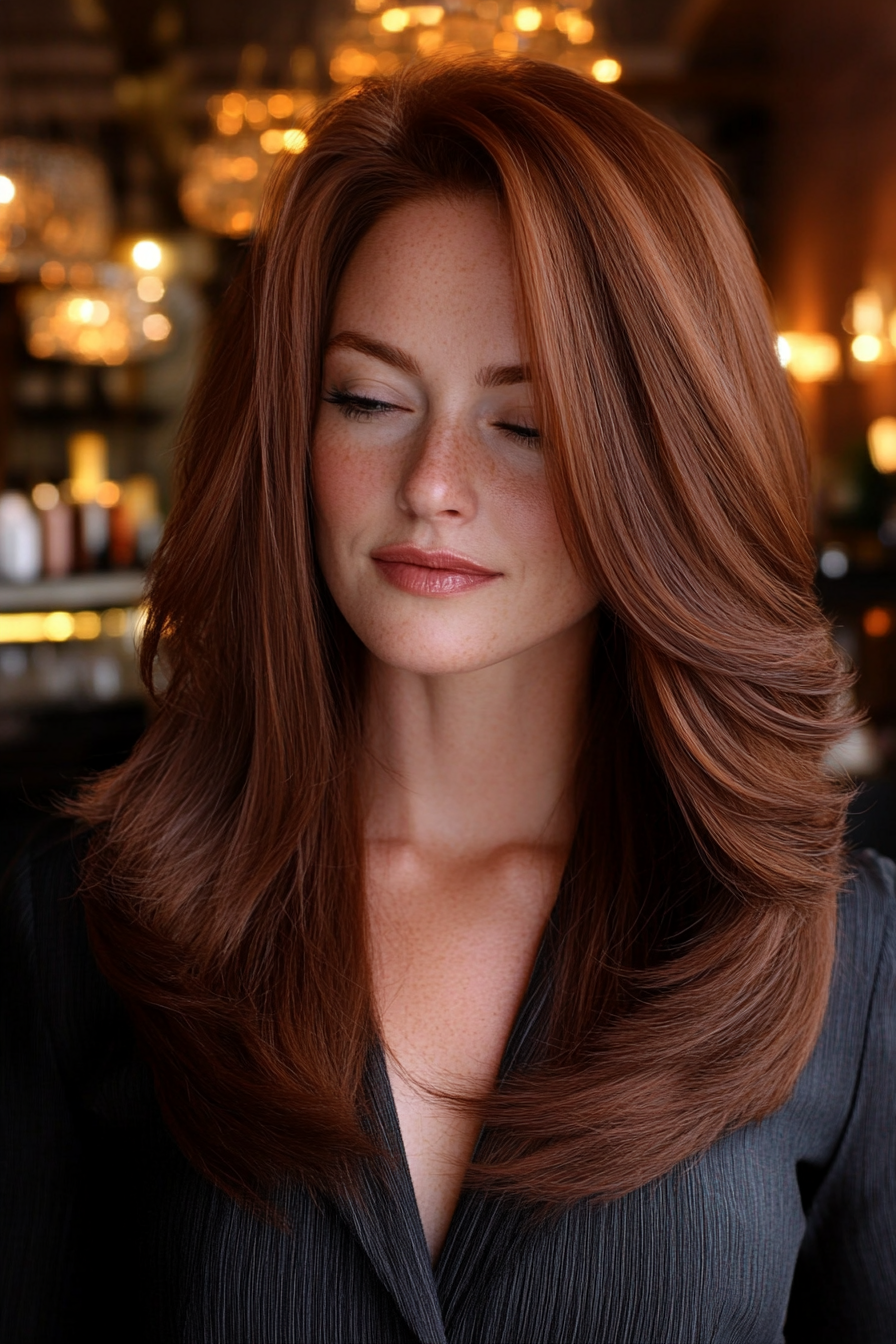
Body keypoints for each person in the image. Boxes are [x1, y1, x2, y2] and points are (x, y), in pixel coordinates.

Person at [1, 55, 894, 1344]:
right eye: (368, 401)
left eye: (522, 426)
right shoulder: (92, 930)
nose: (431, 484)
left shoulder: (835, 963)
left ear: (659, 461)